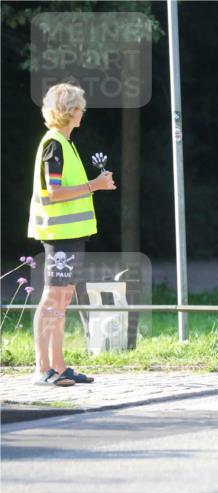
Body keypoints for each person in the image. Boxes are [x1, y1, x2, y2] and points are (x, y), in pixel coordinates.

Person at [27, 82, 116, 387]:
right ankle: (43, 368)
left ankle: (59, 366)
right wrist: (95, 185)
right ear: (68, 111)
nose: (83, 111)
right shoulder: (54, 144)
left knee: (62, 298)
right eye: (79, 106)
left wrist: (95, 184)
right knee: (53, 297)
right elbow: (54, 193)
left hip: (72, 234)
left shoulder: (66, 144)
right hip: (59, 235)